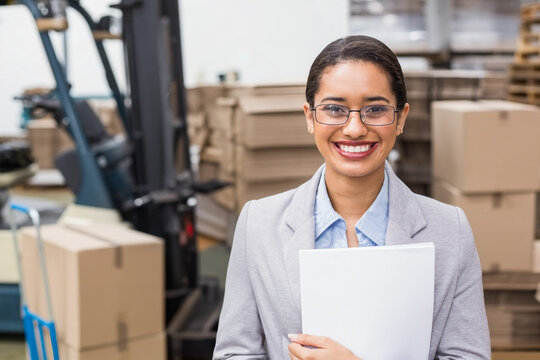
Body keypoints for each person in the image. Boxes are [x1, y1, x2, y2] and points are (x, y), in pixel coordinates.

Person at [213, 35, 490, 360]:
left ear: (401, 118)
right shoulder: (257, 224)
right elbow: (234, 353)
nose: (355, 128)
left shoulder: (450, 231)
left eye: (375, 109)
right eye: (334, 109)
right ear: (309, 116)